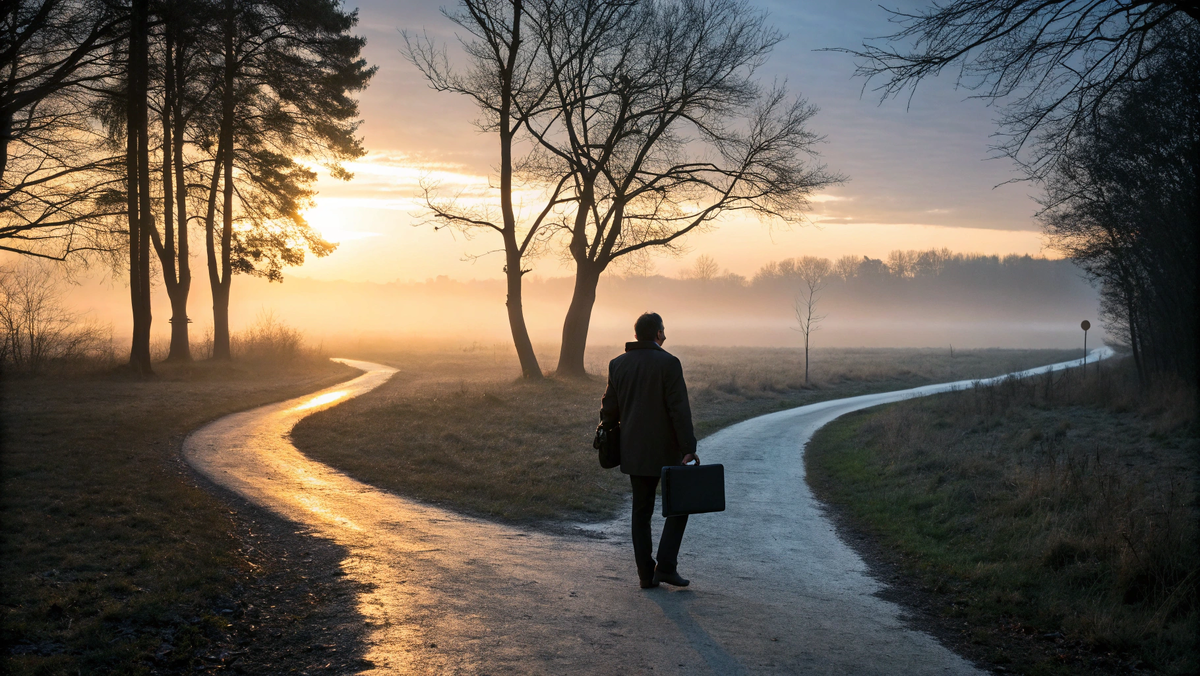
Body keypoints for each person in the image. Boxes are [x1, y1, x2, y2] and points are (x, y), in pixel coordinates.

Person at [600, 312, 698, 589]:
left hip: (634, 451)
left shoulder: (617, 364)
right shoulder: (669, 363)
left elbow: (609, 411)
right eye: (663, 331)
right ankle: (665, 567)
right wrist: (688, 448)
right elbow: (679, 410)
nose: (665, 335)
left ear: (635, 335)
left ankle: (645, 574)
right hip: (668, 452)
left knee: (641, 512)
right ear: (658, 333)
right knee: (680, 507)